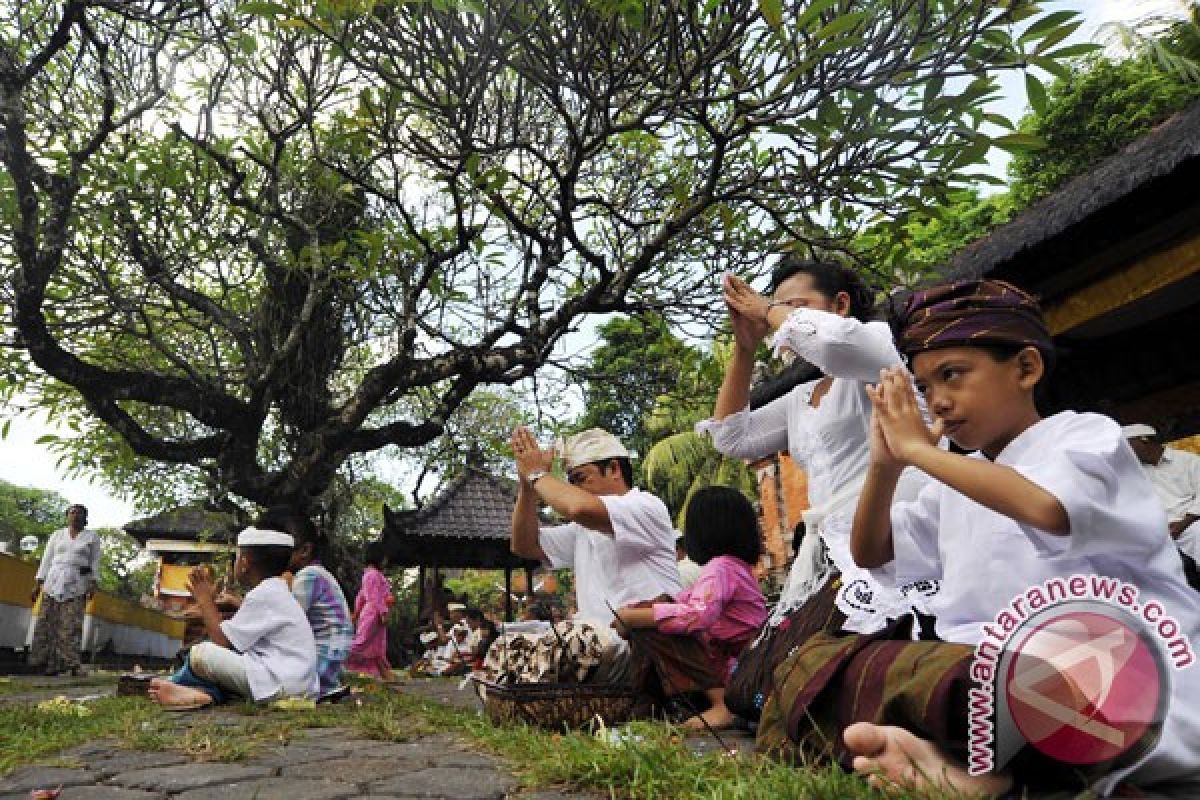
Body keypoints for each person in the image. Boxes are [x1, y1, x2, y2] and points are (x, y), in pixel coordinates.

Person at [761, 279, 1200, 797]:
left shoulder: (1085, 436)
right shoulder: (957, 480)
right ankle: (971, 766)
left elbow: (1044, 507)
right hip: (982, 676)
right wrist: (885, 465)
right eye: (924, 388)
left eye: (953, 375)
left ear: (1026, 369)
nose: (938, 403)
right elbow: (872, 551)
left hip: (1109, 678)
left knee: (1007, 684)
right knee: (817, 662)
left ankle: (981, 770)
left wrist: (922, 454)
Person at [700, 259, 935, 637]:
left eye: (796, 306)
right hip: (836, 554)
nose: (780, 320)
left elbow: (833, 342)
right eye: (778, 308)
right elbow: (731, 438)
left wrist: (765, 309)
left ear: (840, 306)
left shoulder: (876, 344)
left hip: (902, 535)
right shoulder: (801, 398)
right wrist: (744, 350)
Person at [508, 426, 680, 682]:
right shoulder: (581, 530)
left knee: (551, 654)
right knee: (511, 647)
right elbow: (524, 545)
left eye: (580, 478)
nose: (575, 488)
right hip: (597, 645)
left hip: (641, 642)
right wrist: (527, 487)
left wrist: (537, 474)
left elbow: (577, 507)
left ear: (614, 469)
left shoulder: (644, 505)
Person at [612, 486, 767, 730]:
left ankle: (722, 705)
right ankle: (649, 704)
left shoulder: (722, 567)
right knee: (650, 612)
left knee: (652, 623)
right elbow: (684, 603)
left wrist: (633, 617)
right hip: (738, 663)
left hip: (737, 668)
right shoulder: (733, 567)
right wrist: (641, 611)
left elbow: (697, 616)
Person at [148, 527, 319, 709]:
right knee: (224, 660)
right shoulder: (275, 590)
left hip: (279, 683)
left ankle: (177, 684)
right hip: (295, 683)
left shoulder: (264, 593)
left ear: (244, 563)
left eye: (236, 558)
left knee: (201, 653)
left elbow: (222, 641)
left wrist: (205, 599)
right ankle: (203, 695)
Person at [257, 506, 354, 701]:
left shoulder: (308, 577)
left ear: (304, 550)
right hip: (330, 661)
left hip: (322, 665)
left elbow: (284, 619)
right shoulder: (318, 574)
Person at [29, 504, 101, 676]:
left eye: (79, 513)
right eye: (72, 513)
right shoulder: (57, 535)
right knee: (47, 621)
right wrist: (38, 584)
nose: (75, 516)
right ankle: (43, 662)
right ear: (67, 516)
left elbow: (95, 562)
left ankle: (70, 664)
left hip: (77, 583)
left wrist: (93, 583)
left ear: (85, 518)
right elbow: (46, 560)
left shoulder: (92, 537)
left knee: (70, 625)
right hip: (53, 581)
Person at [1123, 424, 1200, 570]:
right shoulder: (1131, 474)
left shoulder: (1188, 460)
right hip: (1156, 530)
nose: (1124, 452)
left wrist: (1184, 523)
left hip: (1190, 523)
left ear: (1144, 440)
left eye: (1127, 446)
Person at [345, 554, 395, 680]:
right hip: (374, 612)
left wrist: (356, 613)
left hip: (374, 611)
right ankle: (337, 658)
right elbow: (374, 597)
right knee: (361, 643)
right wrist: (383, 612)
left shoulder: (370, 575)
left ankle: (386, 675)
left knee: (377, 646)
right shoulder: (372, 575)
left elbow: (360, 597)